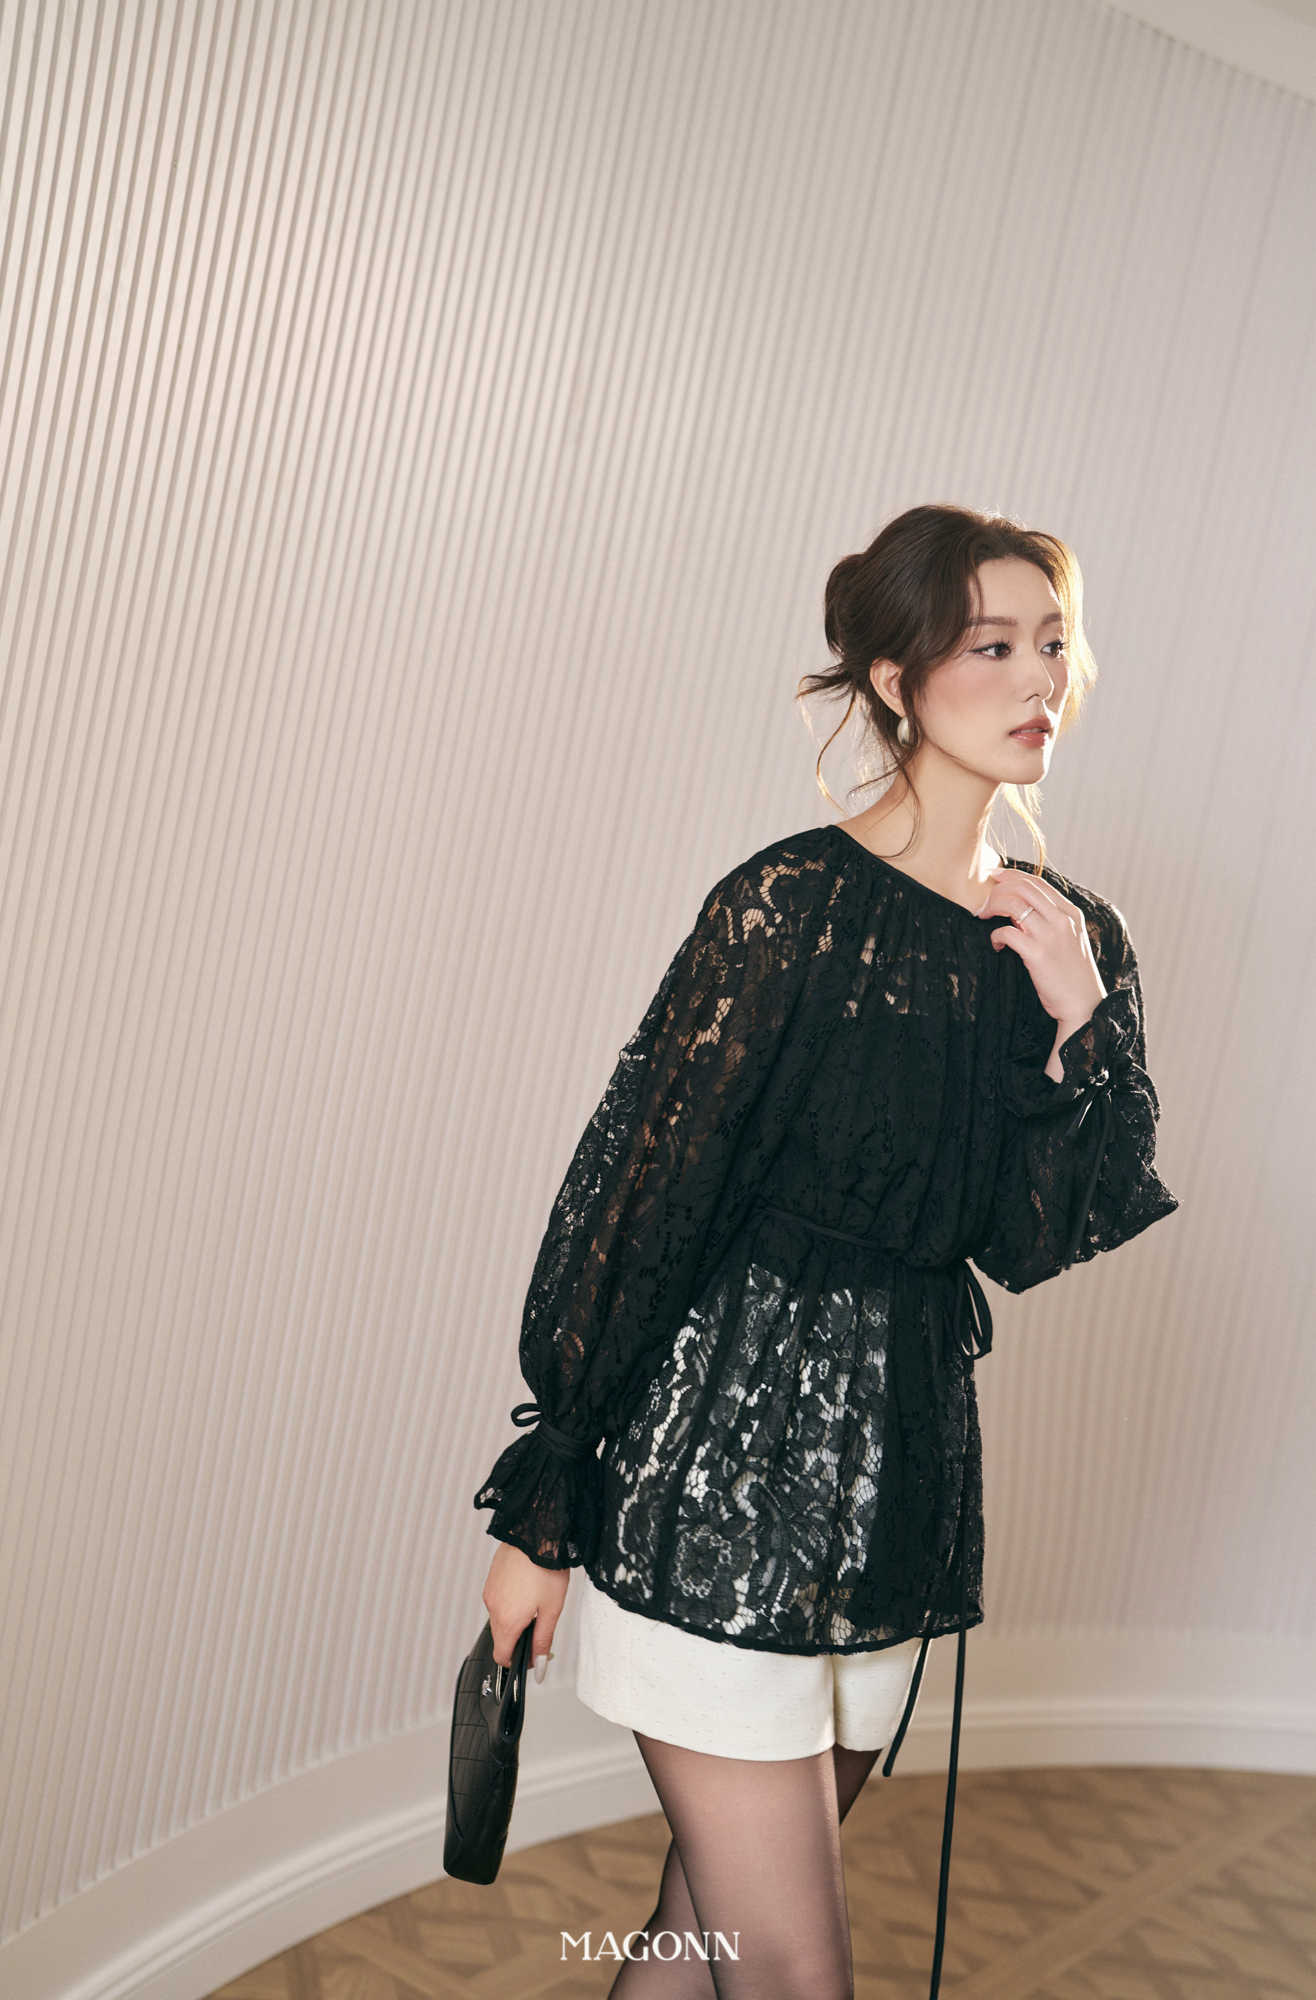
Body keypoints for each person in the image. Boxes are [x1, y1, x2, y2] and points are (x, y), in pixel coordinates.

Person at [472, 503, 1179, 1998]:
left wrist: (1078, 1026)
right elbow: (642, 1206)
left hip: (894, 1501)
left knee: (698, 1939)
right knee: (795, 1973)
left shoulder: (1072, 940)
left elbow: (1038, 1237)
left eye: (1053, 644)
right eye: (991, 646)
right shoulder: (786, 908)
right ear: (895, 680)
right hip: (718, 1489)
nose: (1037, 678)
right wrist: (544, 1509)